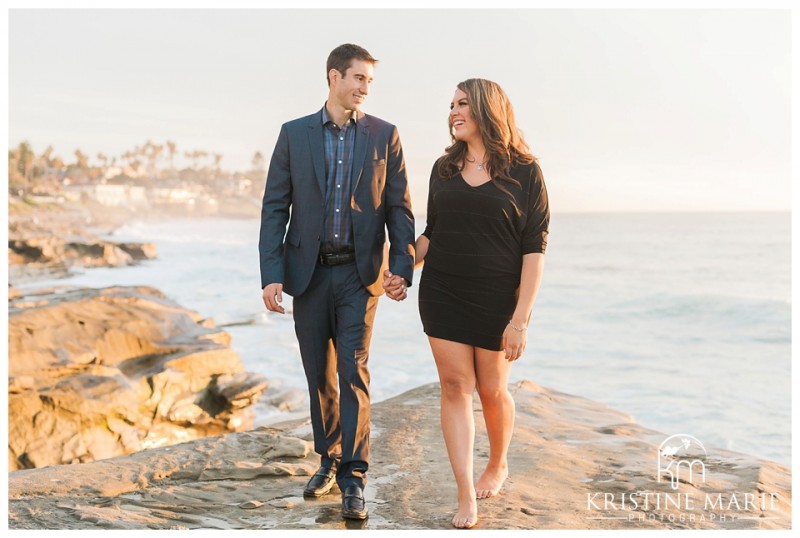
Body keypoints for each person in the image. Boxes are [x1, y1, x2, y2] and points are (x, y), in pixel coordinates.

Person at [258, 43, 415, 521]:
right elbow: (274, 207)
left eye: (370, 81)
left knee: (353, 371)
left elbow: (399, 208)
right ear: (334, 77)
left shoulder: (384, 135)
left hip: (358, 275)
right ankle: (327, 458)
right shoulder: (293, 135)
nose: (364, 88)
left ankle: (354, 476)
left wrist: (402, 268)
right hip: (307, 274)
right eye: (358, 78)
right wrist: (271, 276)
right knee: (319, 375)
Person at [412, 78, 549, 529]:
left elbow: (534, 249)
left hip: (496, 298)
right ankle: (465, 492)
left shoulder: (526, 171)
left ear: (488, 109)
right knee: (454, 387)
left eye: (463, 104)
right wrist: (400, 264)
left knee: (491, 389)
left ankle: (499, 462)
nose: (453, 111)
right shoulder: (443, 168)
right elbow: (434, 230)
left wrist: (520, 320)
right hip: (443, 291)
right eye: (450, 104)